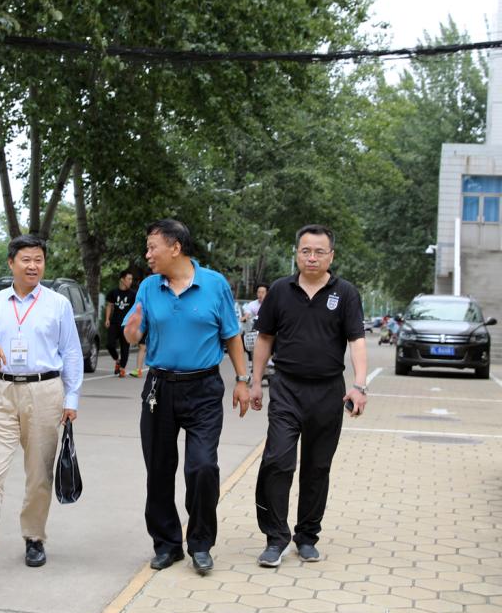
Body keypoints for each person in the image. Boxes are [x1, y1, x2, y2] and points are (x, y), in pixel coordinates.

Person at [0, 234, 83, 578]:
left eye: (39, 259)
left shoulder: (58, 304)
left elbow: (71, 352)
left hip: (45, 391)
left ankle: (34, 537)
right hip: (2, 391)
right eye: (26, 259)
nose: (33, 266)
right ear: (11, 263)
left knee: (39, 474)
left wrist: (72, 398)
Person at [123, 219, 249, 575]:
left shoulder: (214, 284)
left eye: (153, 247)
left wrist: (242, 380)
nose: (148, 255)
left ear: (175, 247)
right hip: (160, 388)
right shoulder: (149, 287)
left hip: (204, 389)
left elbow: (231, 335)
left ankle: (201, 543)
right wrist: (131, 331)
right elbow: (134, 335)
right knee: (159, 469)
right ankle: (167, 544)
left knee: (203, 467)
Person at [249, 224, 367, 567]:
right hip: (286, 387)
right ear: (297, 254)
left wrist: (359, 385)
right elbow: (265, 338)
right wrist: (254, 381)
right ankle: (276, 538)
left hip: (328, 391)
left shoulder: (345, 293)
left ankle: (307, 536)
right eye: (305, 251)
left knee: (317, 467)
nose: (312, 257)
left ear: (331, 255)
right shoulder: (279, 290)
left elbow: (357, 340)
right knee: (277, 460)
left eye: (319, 252)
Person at [105, 270, 136, 377]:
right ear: (122, 280)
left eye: (131, 279)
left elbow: (136, 309)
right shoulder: (113, 293)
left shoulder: (133, 294)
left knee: (125, 347)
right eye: (129, 279)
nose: (130, 281)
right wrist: (107, 319)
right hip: (114, 322)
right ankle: (117, 360)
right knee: (110, 344)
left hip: (127, 324)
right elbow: (109, 305)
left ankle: (122, 368)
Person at [240, 283, 269, 365]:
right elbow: (248, 313)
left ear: (267, 293)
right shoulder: (252, 304)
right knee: (244, 339)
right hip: (255, 330)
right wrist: (245, 318)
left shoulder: (272, 303)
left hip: (268, 330)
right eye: (258, 292)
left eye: (262, 292)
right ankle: (251, 360)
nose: (260, 295)